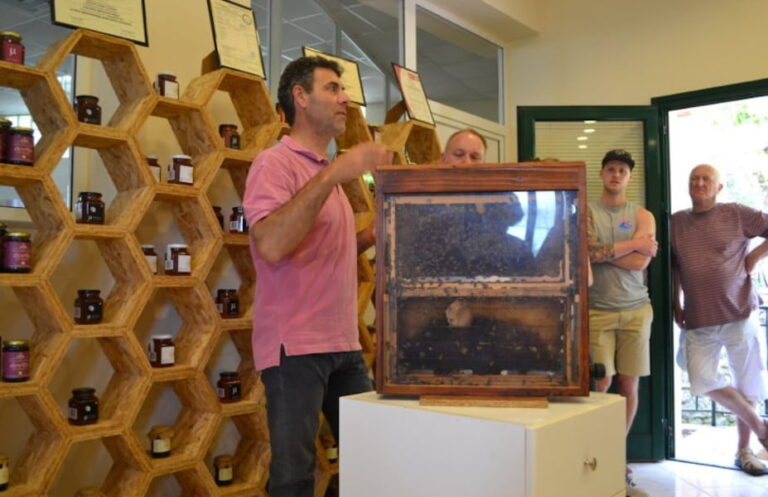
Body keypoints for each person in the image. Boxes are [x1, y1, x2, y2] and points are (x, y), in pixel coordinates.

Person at [242, 56, 391, 497]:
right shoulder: (276, 164)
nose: (345, 98)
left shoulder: (324, 172)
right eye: (332, 88)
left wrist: (373, 233)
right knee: (294, 477)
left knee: (371, 460)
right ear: (300, 97)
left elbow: (327, 249)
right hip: (296, 349)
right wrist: (331, 176)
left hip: (343, 344)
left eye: (343, 90)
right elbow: (270, 244)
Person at [672, 164, 768, 476]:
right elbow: (673, 267)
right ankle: (760, 426)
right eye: (694, 179)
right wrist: (676, 302)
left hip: (739, 313)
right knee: (699, 378)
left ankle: (745, 452)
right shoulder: (676, 222)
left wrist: (752, 258)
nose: (698, 183)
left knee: (747, 383)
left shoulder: (736, 213)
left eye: (705, 179)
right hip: (698, 318)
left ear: (719, 187)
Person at [587, 149, 657, 495]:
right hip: (597, 310)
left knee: (629, 387)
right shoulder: (587, 210)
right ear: (602, 174)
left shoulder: (642, 214)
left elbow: (641, 263)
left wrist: (607, 251)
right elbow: (586, 251)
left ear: (629, 177)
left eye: (623, 171)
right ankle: (595, 453)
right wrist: (632, 245)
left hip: (636, 311)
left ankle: (616, 455)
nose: (616, 175)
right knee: (602, 384)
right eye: (611, 169)